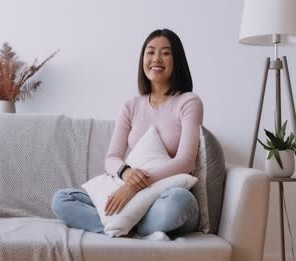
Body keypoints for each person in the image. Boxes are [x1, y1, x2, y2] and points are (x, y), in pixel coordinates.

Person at [51, 28, 203, 237]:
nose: (156, 59)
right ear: (143, 59)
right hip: (128, 191)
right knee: (62, 199)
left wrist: (135, 187)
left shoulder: (188, 102)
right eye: (150, 52)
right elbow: (112, 158)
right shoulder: (130, 106)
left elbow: (186, 162)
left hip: (163, 197)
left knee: (180, 202)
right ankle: (130, 228)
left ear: (177, 60)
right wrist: (127, 173)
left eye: (166, 53)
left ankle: (124, 225)